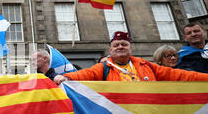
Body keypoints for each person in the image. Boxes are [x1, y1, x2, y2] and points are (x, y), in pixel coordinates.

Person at [53, 31, 208, 85]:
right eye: (117, 45)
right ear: (110, 50)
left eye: (124, 44)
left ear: (130, 48)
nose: (120, 47)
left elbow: (181, 75)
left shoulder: (146, 65)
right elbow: (85, 74)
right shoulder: (103, 68)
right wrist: (65, 77)